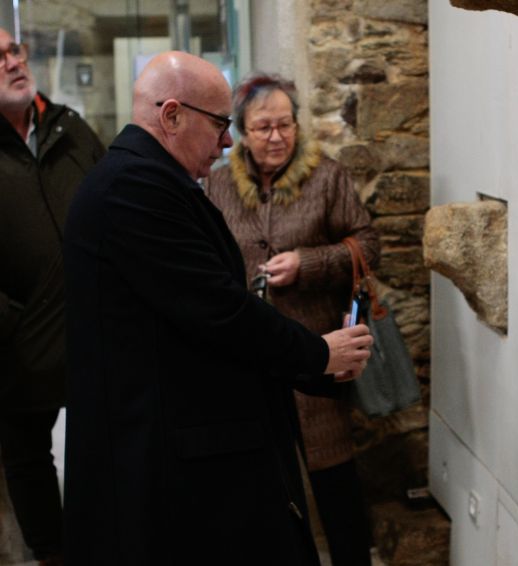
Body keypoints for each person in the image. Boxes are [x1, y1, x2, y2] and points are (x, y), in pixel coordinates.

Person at [62, 51, 373, 565]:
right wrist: (318, 354)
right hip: (162, 457)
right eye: (220, 124)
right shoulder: (134, 189)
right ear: (172, 116)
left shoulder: (151, 181)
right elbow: (218, 310)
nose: (228, 142)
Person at [206, 73, 378, 566]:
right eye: (263, 127)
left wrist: (308, 262)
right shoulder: (217, 184)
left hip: (316, 350)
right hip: (247, 357)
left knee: (335, 482)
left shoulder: (327, 177)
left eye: (286, 124)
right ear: (242, 132)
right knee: (261, 485)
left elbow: (368, 245)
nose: (277, 136)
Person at [0, 27, 105, 565]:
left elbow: (114, 206)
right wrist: (11, 323)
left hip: (96, 331)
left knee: (107, 448)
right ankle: (53, 556)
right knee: (27, 458)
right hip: (20, 344)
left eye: (13, 50)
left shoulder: (69, 127)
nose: (12, 62)